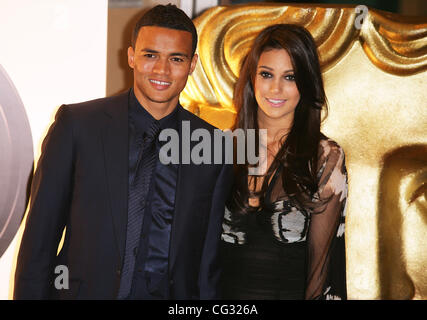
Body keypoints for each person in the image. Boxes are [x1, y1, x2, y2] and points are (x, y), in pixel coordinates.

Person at [14, 4, 232, 300]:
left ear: (192, 65)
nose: (162, 70)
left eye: (176, 59)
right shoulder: (78, 126)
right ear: (131, 56)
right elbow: (39, 244)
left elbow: (208, 264)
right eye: (150, 55)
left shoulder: (213, 145)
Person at [220, 24, 347, 300]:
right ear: (252, 79)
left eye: (290, 77)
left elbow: (320, 269)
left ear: (306, 83)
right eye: (266, 74)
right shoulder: (221, 149)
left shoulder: (326, 158)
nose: (276, 88)